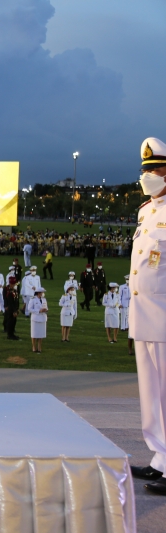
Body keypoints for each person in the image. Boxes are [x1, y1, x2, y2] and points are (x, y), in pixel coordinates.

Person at [128, 137, 166, 494]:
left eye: (155, 170)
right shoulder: (145, 212)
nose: (149, 176)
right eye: (146, 170)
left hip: (165, 316)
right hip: (145, 316)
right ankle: (160, 458)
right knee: (151, 394)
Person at [28, 287, 48, 353]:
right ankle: (34, 347)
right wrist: (39, 311)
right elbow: (30, 309)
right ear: (38, 293)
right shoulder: (33, 299)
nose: (42, 294)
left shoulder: (44, 299)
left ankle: (39, 347)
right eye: (41, 292)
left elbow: (46, 307)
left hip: (42, 318)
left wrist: (45, 310)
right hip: (35, 318)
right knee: (34, 334)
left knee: (41, 334)